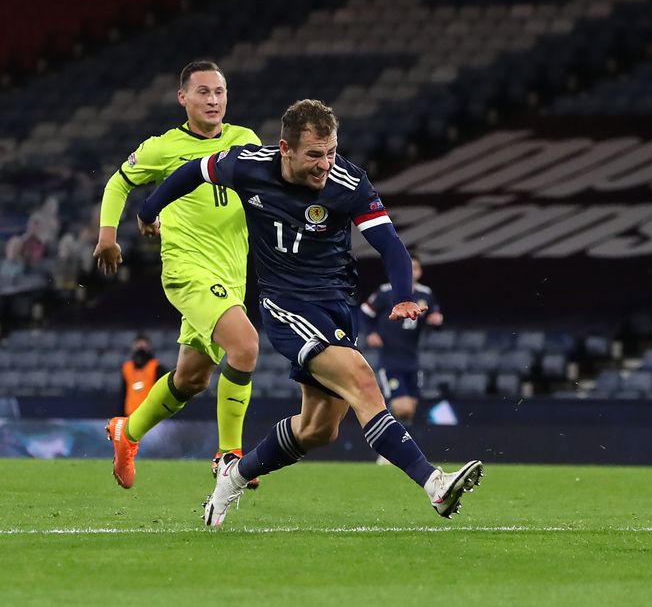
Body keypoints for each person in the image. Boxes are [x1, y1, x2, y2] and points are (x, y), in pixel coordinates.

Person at [137, 99, 482, 527]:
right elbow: (192, 171)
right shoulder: (247, 164)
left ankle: (233, 477)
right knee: (361, 378)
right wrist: (149, 210)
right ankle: (434, 485)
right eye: (314, 155)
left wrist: (403, 295)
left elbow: (390, 243)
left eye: (331, 152)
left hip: (336, 306)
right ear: (285, 149)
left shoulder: (348, 182)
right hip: (286, 305)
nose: (325, 164)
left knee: (319, 429)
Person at [94, 60, 262, 489]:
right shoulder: (163, 147)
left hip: (231, 275)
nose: (213, 100)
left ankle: (126, 433)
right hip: (188, 269)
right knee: (244, 345)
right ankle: (230, 457)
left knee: (191, 379)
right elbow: (118, 183)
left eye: (219, 92)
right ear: (182, 98)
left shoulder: (245, 140)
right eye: (203, 92)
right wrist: (108, 237)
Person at [361, 254, 443, 456]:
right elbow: (364, 312)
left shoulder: (426, 294)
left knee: (410, 409)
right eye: (409, 268)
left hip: (412, 359)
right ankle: (388, 450)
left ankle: (397, 453)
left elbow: (435, 316)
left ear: (420, 272)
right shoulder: (385, 292)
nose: (412, 272)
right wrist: (371, 332)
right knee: (402, 407)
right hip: (389, 359)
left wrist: (436, 320)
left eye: (415, 268)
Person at [121, 334, 166, 416]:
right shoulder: (127, 367)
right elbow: (123, 393)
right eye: (138, 346)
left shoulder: (156, 367)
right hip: (130, 414)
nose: (140, 349)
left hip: (150, 415)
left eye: (143, 346)